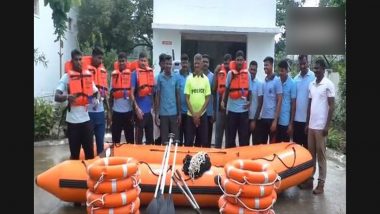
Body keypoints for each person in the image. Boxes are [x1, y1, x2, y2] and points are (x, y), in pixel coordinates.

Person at [54, 49, 97, 160]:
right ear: (72, 61)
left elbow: (95, 92)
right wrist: (67, 97)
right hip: (72, 123)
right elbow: (56, 96)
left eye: (80, 59)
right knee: (74, 156)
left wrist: (95, 100)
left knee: (90, 155)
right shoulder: (66, 77)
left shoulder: (87, 76)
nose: (78, 62)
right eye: (76, 59)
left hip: (86, 121)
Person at [301, 59, 335, 194]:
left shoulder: (328, 84)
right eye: (314, 68)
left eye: (318, 68)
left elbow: (332, 106)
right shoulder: (311, 84)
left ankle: (321, 183)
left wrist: (327, 125)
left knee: (321, 156)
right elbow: (310, 105)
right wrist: (307, 123)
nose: (315, 70)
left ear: (324, 69)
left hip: (321, 127)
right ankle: (310, 180)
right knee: (311, 155)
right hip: (311, 126)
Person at [221, 50, 251, 148]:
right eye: (237, 60)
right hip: (232, 111)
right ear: (235, 61)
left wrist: (249, 102)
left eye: (241, 60)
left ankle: (243, 159)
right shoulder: (230, 73)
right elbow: (226, 89)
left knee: (244, 139)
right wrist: (223, 102)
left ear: (243, 61)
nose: (239, 62)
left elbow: (249, 91)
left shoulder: (248, 74)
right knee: (230, 139)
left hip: (243, 111)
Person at [85, 47, 110, 155]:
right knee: (88, 142)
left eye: (101, 58)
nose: (100, 61)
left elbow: (106, 94)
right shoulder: (85, 72)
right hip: (88, 113)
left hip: (100, 113)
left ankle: (101, 165)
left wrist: (109, 111)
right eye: (98, 58)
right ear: (93, 56)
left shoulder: (103, 72)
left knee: (100, 142)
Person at [184, 53, 211, 147]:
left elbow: (207, 98)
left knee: (204, 141)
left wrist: (199, 114)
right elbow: (186, 98)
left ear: (202, 64)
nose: (196, 65)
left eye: (198, 63)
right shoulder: (189, 79)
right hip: (190, 115)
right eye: (195, 63)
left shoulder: (206, 79)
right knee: (188, 141)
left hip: (202, 115)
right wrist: (194, 115)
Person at [255, 56, 282, 144]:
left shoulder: (277, 81)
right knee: (262, 145)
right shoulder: (264, 81)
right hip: (264, 118)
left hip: (272, 119)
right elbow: (262, 101)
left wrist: (275, 120)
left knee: (272, 146)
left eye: (267, 65)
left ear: (272, 65)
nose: (265, 67)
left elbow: (279, 100)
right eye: (264, 65)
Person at [109, 52, 134, 144]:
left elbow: (133, 94)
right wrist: (110, 112)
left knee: (130, 139)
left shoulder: (131, 75)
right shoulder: (113, 76)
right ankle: (115, 157)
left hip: (128, 112)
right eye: (120, 61)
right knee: (115, 139)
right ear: (117, 62)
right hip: (116, 112)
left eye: (123, 61)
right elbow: (111, 95)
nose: (121, 63)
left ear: (126, 62)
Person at [155, 55, 181, 144]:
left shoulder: (176, 77)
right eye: (166, 63)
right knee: (164, 141)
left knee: (175, 140)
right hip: (163, 114)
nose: (168, 66)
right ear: (163, 64)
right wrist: (156, 114)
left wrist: (179, 114)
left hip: (174, 113)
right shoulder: (159, 78)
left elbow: (178, 96)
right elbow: (157, 96)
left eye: (170, 64)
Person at [130, 52, 155, 144]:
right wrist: (137, 109)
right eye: (141, 60)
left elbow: (153, 91)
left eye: (145, 61)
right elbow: (131, 94)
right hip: (140, 113)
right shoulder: (134, 74)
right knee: (138, 140)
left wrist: (153, 108)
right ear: (138, 61)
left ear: (147, 61)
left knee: (150, 139)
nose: (143, 63)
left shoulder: (150, 73)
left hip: (149, 113)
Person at [293, 55, 315, 148]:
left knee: (307, 149)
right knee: (296, 150)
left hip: (308, 121)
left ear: (308, 63)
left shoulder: (313, 77)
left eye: (304, 63)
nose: (302, 66)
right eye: (300, 64)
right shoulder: (295, 79)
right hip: (296, 120)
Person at [213, 54, 231, 148]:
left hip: (231, 107)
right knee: (218, 134)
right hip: (220, 107)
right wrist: (216, 73)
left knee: (229, 135)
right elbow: (214, 88)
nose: (226, 63)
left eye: (228, 61)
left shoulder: (234, 73)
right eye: (225, 61)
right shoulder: (220, 72)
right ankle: (217, 152)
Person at [276, 60, 296, 142]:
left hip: (285, 121)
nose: (280, 73)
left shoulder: (292, 83)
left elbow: (293, 105)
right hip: (276, 120)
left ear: (287, 70)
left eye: (282, 71)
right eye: (279, 70)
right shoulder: (277, 81)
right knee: (275, 147)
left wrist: (291, 124)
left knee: (285, 148)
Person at [247, 60, 263, 145]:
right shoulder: (245, 82)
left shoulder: (259, 83)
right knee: (244, 144)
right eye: (251, 69)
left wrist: (254, 121)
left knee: (256, 145)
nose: (252, 72)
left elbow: (260, 103)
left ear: (256, 71)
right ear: (248, 69)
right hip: (246, 119)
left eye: (254, 70)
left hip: (256, 119)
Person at [153, 53, 167, 145]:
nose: (165, 65)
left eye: (167, 63)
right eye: (163, 63)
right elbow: (154, 96)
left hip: (168, 112)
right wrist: (156, 113)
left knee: (166, 136)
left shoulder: (172, 77)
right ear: (160, 64)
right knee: (158, 136)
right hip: (158, 111)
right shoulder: (156, 78)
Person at [201, 54, 214, 146]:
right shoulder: (196, 76)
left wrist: (214, 112)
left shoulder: (212, 76)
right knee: (199, 137)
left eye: (207, 62)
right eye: (203, 61)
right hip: (198, 112)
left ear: (209, 64)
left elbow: (215, 95)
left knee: (207, 139)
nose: (205, 63)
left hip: (209, 112)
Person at [178, 53, 191, 146]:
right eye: (183, 63)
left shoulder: (192, 76)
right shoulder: (176, 76)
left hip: (189, 112)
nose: (185, 65)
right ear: (181, 64)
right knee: (178, 138)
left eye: (186, 62)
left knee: (188, 138)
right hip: (179, 112)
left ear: (189, 63)